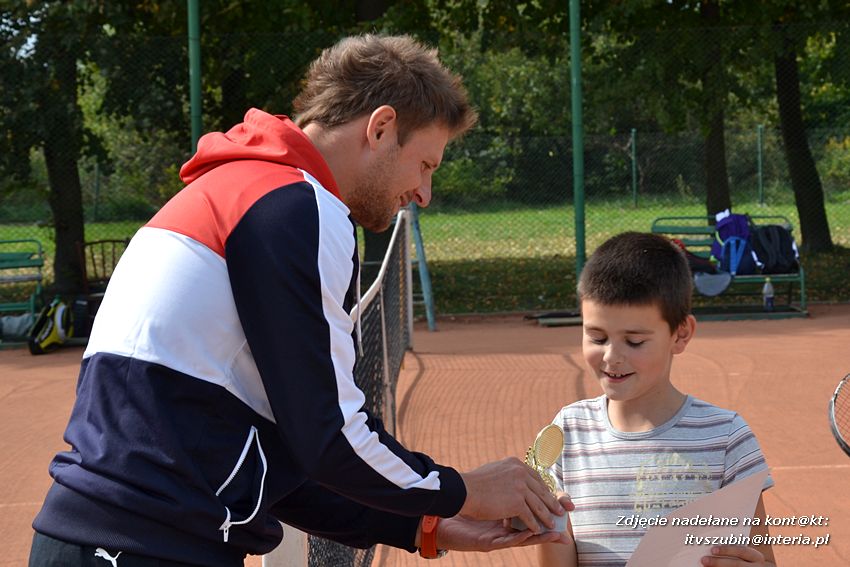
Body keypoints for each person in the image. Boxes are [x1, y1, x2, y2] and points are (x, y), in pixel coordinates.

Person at [29, 34, 569, 566]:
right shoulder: (298, 206)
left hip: (114, 537)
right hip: (145, 545)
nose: (424, 194)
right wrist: (462, 489)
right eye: (426, 165)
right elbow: (331, 437)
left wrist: (426, 524)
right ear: (381, 128)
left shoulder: (244, 191)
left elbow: (276, 463)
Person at [538, 232, 776, 567]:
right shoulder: (566, 434)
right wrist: (547, 523)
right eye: (597, 337)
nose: (611, 357)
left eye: (634, 341)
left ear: (681, 334)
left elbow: (763, 558)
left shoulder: (726, 438)